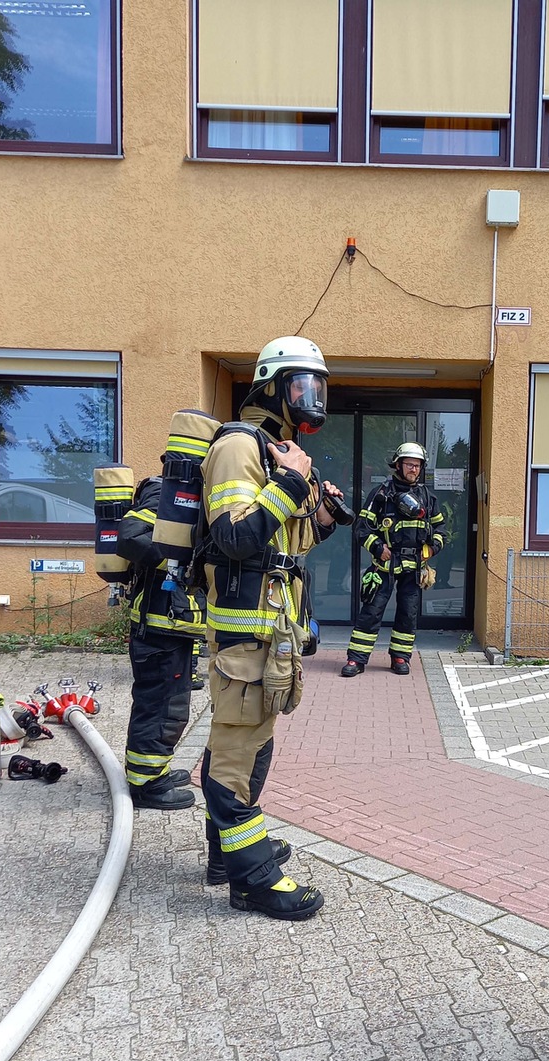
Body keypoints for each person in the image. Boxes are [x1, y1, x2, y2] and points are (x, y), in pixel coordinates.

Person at [200, 334, 343, 920]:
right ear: (273, 386)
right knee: (234, 762)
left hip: (269, 635)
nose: (313, 398)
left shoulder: (274, 450)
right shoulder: (239, 445)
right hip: (243, 638)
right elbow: (234, 537)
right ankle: (254, 880)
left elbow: (286, 543)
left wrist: (322, 512)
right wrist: (288, 484)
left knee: (250, 746)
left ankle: (223, 859)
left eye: (319, 387)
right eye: (304, 385)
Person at [117, 464, 207, 810]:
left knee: (170, 705)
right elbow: (130, 536)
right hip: (157, 627)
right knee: (159, 706)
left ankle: (154, 771)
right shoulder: (163, 494)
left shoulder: (184, 498)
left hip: (171, 627)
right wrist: (179, 563)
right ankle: (145, 785)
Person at [340, 442, 446, 677]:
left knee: (408, 613)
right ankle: (356, 660)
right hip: (384, 565)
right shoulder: (381, 494)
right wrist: (378, 548)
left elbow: (441, 529)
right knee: (371, 611)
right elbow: (361, 528)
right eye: (409, 464)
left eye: (417, 465)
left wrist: (431, 548)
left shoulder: (427, 497)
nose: (413, 469)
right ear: (398, 465)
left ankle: (400, 657)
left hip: (414, 568)